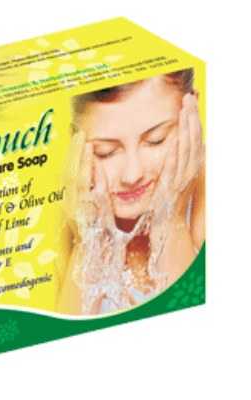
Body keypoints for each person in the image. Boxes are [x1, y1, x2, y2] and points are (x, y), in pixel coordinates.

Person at [56, 69, 205, 315]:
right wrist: (90, 237)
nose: (132, 175)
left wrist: (171, 218)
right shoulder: (71, 208)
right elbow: (70, 329)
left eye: (156, 140)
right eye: (106, 152)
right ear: (75, 142)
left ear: (192, 115)